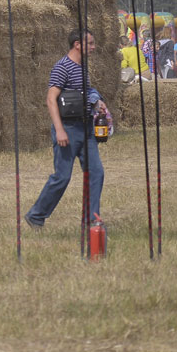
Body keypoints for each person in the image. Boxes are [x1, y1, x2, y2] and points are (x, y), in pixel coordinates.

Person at [25, 30, 109, 230]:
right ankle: (36, 215)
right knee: (62, 177)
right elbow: (51, 99)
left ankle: (91, 219)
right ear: (77, 44)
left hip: (86, 129)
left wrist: (97, 102)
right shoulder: (62, 67)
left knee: (96, 172)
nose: (94, 47)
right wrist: (59, 129)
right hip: (68, 129)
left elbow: (83, 93)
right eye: (90, 43)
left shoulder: (82, 68)